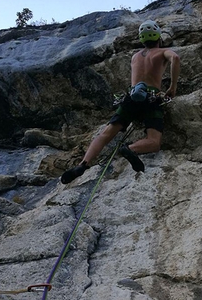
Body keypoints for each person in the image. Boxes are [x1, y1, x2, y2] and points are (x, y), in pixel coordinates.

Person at [61, 20, 180, 184]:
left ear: (142, 40)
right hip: (151, 98)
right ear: (159, 38)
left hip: (130, 98)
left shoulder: (135, 57)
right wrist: (172, 87)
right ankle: (130, 149)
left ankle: (83, 164)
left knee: (106, 134)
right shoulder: (162, 51)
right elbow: (176, 58)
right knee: (154, 142)